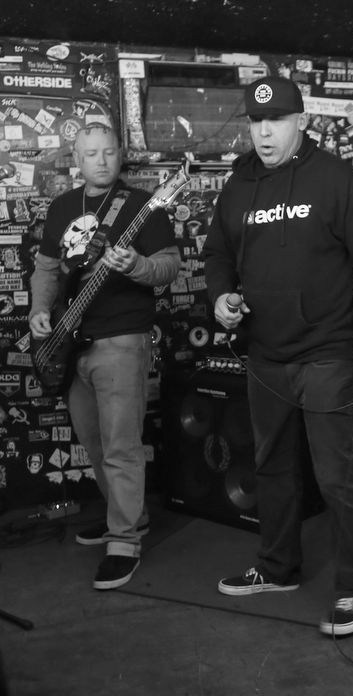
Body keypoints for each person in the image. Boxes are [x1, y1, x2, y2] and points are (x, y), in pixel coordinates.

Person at [202, 76, 353, 637]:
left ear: (302, 122)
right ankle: (277, 567)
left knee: (335, 474)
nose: (264, 133)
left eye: (277, 121)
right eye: (256, 122)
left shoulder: (336, 180)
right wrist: (220, 297)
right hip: (265, 352)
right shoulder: (239, 184)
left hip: (325, 352)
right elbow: (217, 254)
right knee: (271, 466)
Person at [29, 124, 180, 589]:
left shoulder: (142, 206)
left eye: (109, 152)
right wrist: (38, 309)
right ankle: (127, 516)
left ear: (120, 154)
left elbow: (169, 267)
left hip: (122, 339)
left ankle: (124, 542)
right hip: (71, 340)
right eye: (91, 153)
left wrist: (135, 265)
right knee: (94, 442)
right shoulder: (61, 207)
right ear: (76, 158)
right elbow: (46, 269)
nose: (101, 160)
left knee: (120, 444)